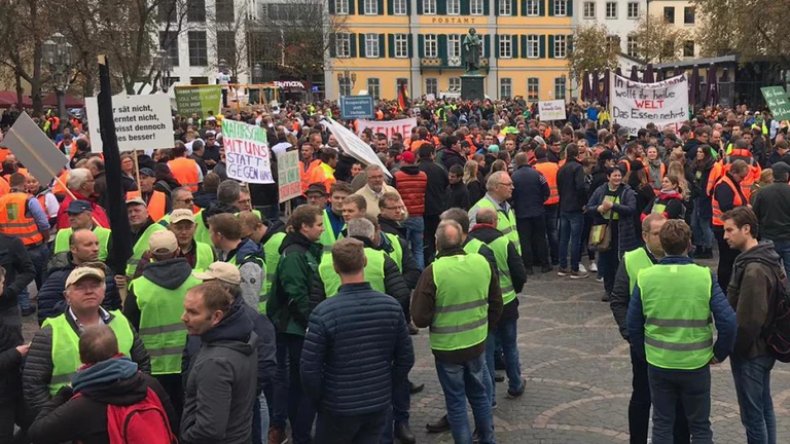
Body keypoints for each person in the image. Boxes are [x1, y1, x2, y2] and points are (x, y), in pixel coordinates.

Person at [627, 220, 737, 443]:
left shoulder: (646, 277)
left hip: (659, 362)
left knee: (662, 424)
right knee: (700, 427)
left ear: (663, 245)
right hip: (695, 363)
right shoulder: (704, 276)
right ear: (689, 243)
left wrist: (645, 353)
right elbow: (728, 322)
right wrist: (718, 353)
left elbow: (633, 324)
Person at [301, 238, 415, 444]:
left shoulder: (323, 313)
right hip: (378, 403)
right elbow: (405, 358)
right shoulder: (390, 307)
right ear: (364, 262)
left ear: (335, 267)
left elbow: (309, 370)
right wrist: (387, 386)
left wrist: (321, 399)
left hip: (337, 405)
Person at [412, 220, 503, 444]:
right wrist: (484, 327)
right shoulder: (481, 262)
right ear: (462, 238)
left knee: (455, 401)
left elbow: (420, 318)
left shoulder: (433, 271)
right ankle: (487, 438)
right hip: (476, 342)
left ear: (436, 243)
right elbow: (496, 303)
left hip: (447, 348)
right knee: (480, 394)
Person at [23, 266, 150, 416]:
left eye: (95, 285)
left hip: (122, 414)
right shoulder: (51, 332)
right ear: (67, 296)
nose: (89, 291)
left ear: (103, 291)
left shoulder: (122, 321)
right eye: (80, 287)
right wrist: (54, 419)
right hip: (72, 420)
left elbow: (143, 364)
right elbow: (33, 384)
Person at [609, 214, 691, 443]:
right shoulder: (632, 259)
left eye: (665, 231)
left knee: (679, 401)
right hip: (644, 343)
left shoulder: (680, 257)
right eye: (657, 233)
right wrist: (629, 334)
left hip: (676, 343)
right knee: (642, 397)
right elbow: (618, 299)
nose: (663, 237)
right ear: (645, 235)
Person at [26, 325, 178, 444]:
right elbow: (172, 424)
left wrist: (64, 392)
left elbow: (37, 433)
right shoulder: (149, 384)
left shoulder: (81, 406)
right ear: (117, 350)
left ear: (82, 357)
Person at [190, 261, 277, 444]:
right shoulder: (205, 317)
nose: (201, 288)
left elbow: (266, 366)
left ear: (225, 291)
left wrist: (242, 394)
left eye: (208, 284)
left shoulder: (255, 322)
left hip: (237, 415)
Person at [123, 230, 202, 417]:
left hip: (152, 366)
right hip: (190, 361)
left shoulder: (139, 287)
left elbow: (129, 329)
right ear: (177, 252)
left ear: (150, 255)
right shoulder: (197, 282)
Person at [722, 207, 782, 443]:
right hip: (764, 347)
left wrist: (735, 348)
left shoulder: (754, 268)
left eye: (729, 230)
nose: (725, 236)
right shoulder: (767, 256)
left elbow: (749, 321)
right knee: (764, 407)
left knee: (753, 415)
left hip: (752, 352)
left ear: (746, 229)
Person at [266, 205, 324, 444]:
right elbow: (295, 294)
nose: (322, 229)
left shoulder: (304, 249)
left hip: (300, 326)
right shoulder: (294, 254)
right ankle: (301, 435)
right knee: (302, 384)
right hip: (295, 329)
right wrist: (310, 324)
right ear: (305, 227)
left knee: (300, 383)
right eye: (318, 225)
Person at [180, 282, 258, 444]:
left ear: (216, 316)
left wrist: (186, 437)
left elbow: (209, 429)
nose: (184, 317)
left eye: (193, 312)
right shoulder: (244, 339)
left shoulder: (216, 363)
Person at [468, 207, 527, 405]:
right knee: (510, 346)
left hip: (482, 304)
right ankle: (516, 384)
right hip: (507, 301)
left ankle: (490, 397)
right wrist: (514, 289)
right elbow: (519, 273)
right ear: (494, 222)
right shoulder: (504, 242)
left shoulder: (469, 244)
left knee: (487, 352)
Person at [37, 229, 122, 325]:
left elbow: (116, 308)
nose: (95, 249)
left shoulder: (106, 272)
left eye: (96, 244)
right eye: (88, 245)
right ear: (73, 249)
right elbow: (46, 313)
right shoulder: (58, 278)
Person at [0, 172, 50, 316]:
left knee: (17, 278)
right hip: (32, 245)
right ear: (24, 184)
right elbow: (43, 222)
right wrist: (45, 237)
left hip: (10, 248)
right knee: (41, 276)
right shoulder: (29, 200)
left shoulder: (2, 200)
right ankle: (43, 304)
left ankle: (24, 306)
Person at [208, 213, 266, 311]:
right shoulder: (225, 255)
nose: (210, 236)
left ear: (219, 235)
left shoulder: (248, 264)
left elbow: (249, 305)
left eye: (211, 232)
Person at [0, 265, 30, 442]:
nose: (3, 286)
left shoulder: (6, 307)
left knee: (34, 426)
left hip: (13, 387)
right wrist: (17, 353)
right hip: (2, 396)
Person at [712, 159, 750, 292]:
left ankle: (727, 287)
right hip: (722, 227)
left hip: (728, 226)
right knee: (726, 260)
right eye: (741, 177)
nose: (742, 180)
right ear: (733, 172)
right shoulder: (724, 185)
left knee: (729, 259)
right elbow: (725, 206)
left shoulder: (731, 183)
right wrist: (743, 209)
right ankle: (723, 288)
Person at [512, 152, 551, 273]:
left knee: (525, 240)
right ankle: (545, 264)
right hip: (538, 211)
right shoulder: (538, 174)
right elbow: (547, 190)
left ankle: (528, 266)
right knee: (540, 238)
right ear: (527, 160)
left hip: (521, 213)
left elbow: (511, 194)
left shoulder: (513, 177)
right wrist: (541, 201)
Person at [469, 171, 520, 257]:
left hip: (512, 260)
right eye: (508, 184)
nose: (512, 187)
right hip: (496, 264)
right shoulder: (479, 209)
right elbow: (473, 243)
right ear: (496, 187)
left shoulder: (507, 206)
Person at [752, 162, 790, 278]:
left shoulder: (763, 192)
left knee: (770, 272)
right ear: (787, 175)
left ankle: (775, 295)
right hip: (788, 236)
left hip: (768, 237)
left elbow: (755, 214)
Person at [556, 143, 588, 278]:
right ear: (577, 154)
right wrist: (583, 203)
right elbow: (581, 187)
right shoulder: (578, 168)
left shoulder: (561, 169)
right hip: (575, 207)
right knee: (576, 239)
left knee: (564, 238)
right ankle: (575, 268)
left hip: (563, 206)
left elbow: (559, 187)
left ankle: (562, 266)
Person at [394, 151, 428, 269]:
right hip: (418, 216)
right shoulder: (423, 176)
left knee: (404, 249)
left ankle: (409, 273)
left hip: (403, 215)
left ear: (404, 161)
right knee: (418, 249)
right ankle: (420, 274)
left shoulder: (397, 176)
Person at [418, 145, 449, 264]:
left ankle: (427, 262)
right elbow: (447, 184)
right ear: (432, 154)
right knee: (437, 237)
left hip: (421, 210)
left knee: (424, 240)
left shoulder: (417, 169)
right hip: (438, 208)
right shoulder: (439, 169)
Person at [533, 148, 560, 268]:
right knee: (553, 230)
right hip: (555, 201)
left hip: (541, 203)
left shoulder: (535, 169)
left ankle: (543, 257)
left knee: (541, 232)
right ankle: (556, 257)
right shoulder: (555, 166)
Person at [319, 182, 351, 252]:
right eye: (336, 198)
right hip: (322, 261)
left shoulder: (354, 218)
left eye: (343, 198)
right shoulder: (319, 216)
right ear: (329, 198)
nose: (340, 201)